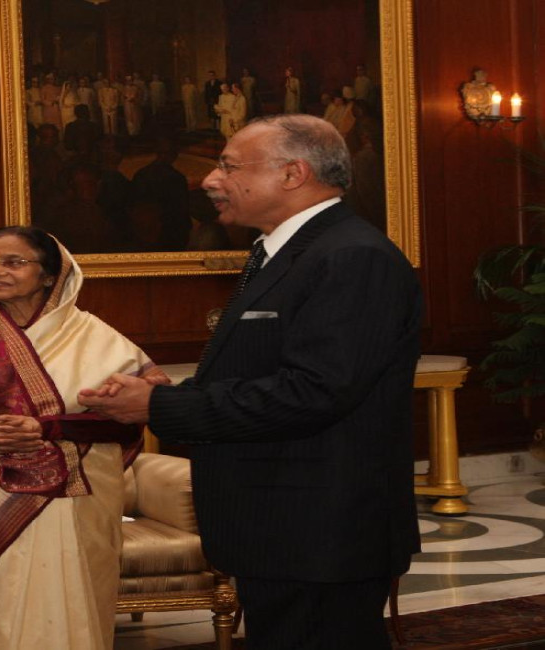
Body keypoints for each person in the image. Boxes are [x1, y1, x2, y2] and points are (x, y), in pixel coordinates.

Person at [80, 114, 422, 648]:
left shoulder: (352, 257)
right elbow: (260, 373)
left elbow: (314, 392)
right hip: (282, 528)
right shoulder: (282, 251)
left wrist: (159, 409)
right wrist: (167, 395)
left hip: (320, 531)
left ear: (293, 174)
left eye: (229, 166)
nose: (210, 180)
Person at [0, 226, 166, 650]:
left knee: (74, 599)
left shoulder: (94, 337)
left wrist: (48, 429)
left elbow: (130, 417)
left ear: (49, 276)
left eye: (13, 262)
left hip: (78, 497)